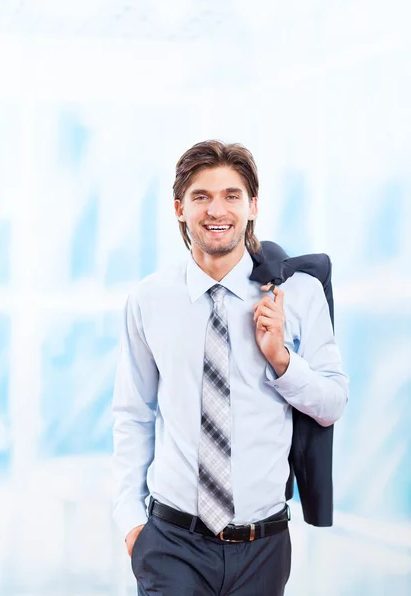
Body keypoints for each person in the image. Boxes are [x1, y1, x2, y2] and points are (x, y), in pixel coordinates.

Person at [112, 140, 349, 595]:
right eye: (201, 196)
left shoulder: (297, 295)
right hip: (172, 544)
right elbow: (134, 413)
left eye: (231, 195)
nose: (216, 210)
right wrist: (130, 523)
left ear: (253, 205)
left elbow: (332, 403)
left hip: (263, 547)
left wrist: (282, 359)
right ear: (180, 208)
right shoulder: (149, 298)